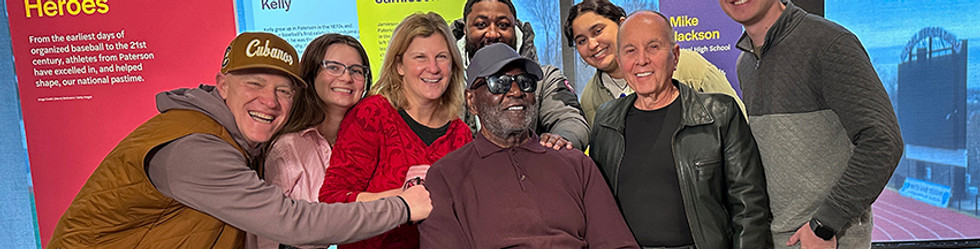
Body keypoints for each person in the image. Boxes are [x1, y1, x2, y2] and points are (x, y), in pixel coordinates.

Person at [46, 32, 430, 249]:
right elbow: (293, 223)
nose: (269, 100)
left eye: (283, 90)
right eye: (255, 84)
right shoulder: (195, 147)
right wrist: (402, 205)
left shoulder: (239, 142)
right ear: (222, 85)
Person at [718, 0, 904, 248]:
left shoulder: (829, 43)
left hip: (824, 240)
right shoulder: (746, 64)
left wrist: (825, 224)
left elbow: (883, 140)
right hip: (775, 239)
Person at [418, 43, 639, 249]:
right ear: (472, 100)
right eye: (500, 83)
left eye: (526, 83)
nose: (516, 92)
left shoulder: (576, 164)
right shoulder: (446, 176)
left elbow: (618, 244)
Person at [589, 11, 771, 249]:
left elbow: (750, 210)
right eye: (630, 50)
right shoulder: (605, 121)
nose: (641, 60)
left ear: (674, 56)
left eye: (653, 47)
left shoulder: (720, 114)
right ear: (621, 61)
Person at [318, 12, 473, 249]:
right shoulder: (373, 115)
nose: (433, 68)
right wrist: (402, 200)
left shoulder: (461, 134)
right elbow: (333, 200)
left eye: (441, 57)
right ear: (399, 65)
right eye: (420, 57)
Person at [246, 34, 373, 249]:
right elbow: (267, 235)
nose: (346, 78)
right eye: (333, 67)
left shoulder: (374, 141)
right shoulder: (288, 149)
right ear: (311, 75)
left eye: (356, 70)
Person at [563, 0, 745, 126]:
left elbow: (737, 120)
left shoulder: (688, 65)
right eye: (581, 41)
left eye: (598, 31)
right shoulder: (589, 99)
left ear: (622, 24)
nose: (592, 44)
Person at [451, 0, 589, 150]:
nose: (492, 34)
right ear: (465, 29)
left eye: (503, 25)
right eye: (481, 25)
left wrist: (560, 141)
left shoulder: (545, 79)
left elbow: (571, 120)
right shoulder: (444, 82)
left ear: (515, 28)